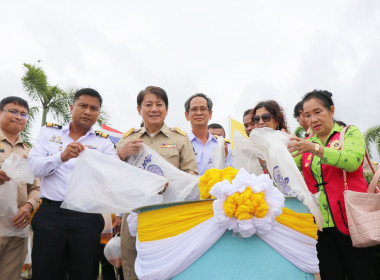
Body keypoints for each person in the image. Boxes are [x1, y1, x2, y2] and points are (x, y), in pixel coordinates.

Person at [28, 88, 117, 280]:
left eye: (94, 108)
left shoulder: (104, 143)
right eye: (83, 105)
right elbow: (34, 167)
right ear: (71, 107)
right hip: (51, 214)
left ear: (98, 113)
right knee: (45, 272)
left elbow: (113, 176)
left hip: (86, 216)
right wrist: (61, 157)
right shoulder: (48, 132)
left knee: (84, 273)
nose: (88, 111)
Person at [287, 90, 377, 280]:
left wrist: (316, 149)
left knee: (363, 273)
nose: (313, 119)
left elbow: (352, 161)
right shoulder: (305, 144)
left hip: (352, 221)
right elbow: (288, 172)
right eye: (308, 115)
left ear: (331, 110)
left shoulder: (349, 133)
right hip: (320, 225)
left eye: (318, 112)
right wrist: (272, 153)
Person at [116, 86, 198, 280]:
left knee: (168, 264)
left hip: (168, 212)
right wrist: (122, 153)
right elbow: (113, 174)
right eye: (148, 104)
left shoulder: (180, 138)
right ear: (139, 109)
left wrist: (173, 184)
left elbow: (191, 174)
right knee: (131, 262)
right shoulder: (127, 139)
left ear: (166, 109)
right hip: (134, 213)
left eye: (159, 104)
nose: (154, 109)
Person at [0, 96, 40, 280]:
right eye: (13, 111)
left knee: (10, 276)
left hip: (17, 227)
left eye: (24, 114)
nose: (19, 117)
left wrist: (28, 207)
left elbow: (37, 187)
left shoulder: (29, 153)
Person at [184, 93, 233, 175]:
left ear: (210, 114)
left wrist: (223, 159)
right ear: (187, 115)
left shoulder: (223, 145)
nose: (199, 113)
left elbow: (232, 172)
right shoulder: (182, 144)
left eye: (203, 109)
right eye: (194, 109)